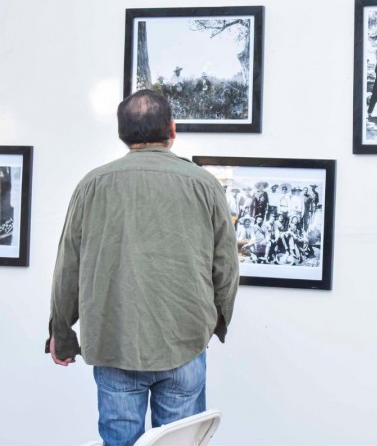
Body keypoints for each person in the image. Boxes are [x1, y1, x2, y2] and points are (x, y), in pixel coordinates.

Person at [46, 89, 239, 446]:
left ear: (122, 133)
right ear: (172, 129)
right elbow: (226, 267)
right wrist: (214, 322)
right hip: (184, 339)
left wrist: (62, 332)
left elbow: (67, 267)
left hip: (113, 340)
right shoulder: (203, 184)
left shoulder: (92, 184)